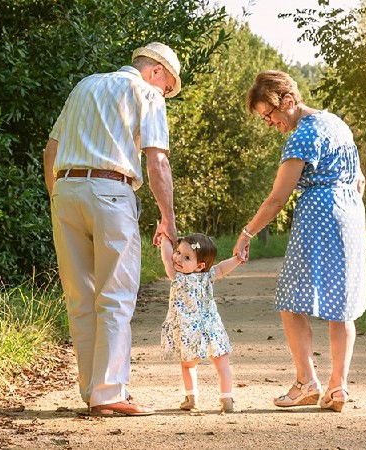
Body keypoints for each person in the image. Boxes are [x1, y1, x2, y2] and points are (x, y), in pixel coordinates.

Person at [43, 42, 182, 416]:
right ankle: (109, 394)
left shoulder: (85, 85)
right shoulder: (146, 93)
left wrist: (57, 198)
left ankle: (92, 390)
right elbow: (157, 162)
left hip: (67, 190)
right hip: (111, 191)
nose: (165, 93)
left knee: (80, 297)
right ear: (155, 72)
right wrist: (167, 219)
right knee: (115, 295)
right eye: (168, 86)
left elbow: (51, 148)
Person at [233, 70, 366, 413]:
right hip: (351, 215)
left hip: (318, 217)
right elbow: (360, 180)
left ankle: (306, 382)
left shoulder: (301, 137)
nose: (269, 123)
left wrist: (246, 234)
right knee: (343, 305)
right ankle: (338, 388)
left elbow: (277, 199)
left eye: (270, 115)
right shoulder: (336, 123)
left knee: (290, 300)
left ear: (289, 101)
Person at [159, 233, 242, 413]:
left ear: (200, 266)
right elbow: (221, 268)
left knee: (188, 365)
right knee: (223, 365)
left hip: (190, 332)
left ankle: (191, 398)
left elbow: (166, 259)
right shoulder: (207, 275)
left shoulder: (178, 277)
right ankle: (227, 399)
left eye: (187, 257)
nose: (178, 259)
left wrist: (165, 239)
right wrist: (237, 259)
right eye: (178, 252)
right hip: (212, 328)